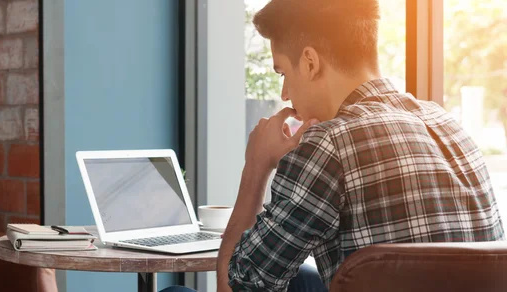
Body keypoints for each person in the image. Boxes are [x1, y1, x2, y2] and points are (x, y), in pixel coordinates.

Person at [164, 0, 504, 291]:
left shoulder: (327, 145)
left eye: (282, 73)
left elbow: (236, 285)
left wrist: (256, 166)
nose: (285, 95)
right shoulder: (448, 125)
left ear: (310, 63)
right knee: (299, 277)